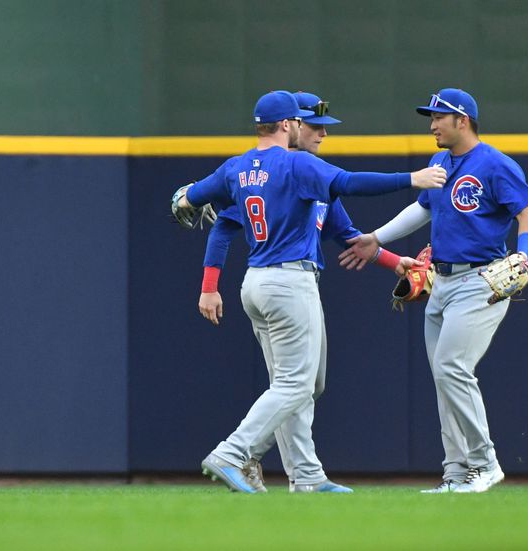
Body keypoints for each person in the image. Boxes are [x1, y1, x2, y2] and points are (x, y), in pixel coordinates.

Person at [177, 90, 445, 494]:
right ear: (291, 124)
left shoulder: (246, 169)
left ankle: (305, 476)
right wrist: (413, 179)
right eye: (314, 125)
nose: (321, 133)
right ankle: (234, 454)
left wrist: (395, 262)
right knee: (294, 384)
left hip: (263, 284)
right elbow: (351, 183)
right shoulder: (297, 166)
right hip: (287, 282)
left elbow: (346, 234)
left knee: (304, 385)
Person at [338, 88, 528, 493]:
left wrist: (524, 254)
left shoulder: (495, 164)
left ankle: (485, 464)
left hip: (480, 282)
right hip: (441, 281)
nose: (431, 125)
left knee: (452, 368)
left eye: (438, 118)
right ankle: (457, 472)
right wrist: (376, 237)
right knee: (445, 379)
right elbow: (423, 208)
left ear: (462, 120)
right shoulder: (439, 162)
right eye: (430, 118)